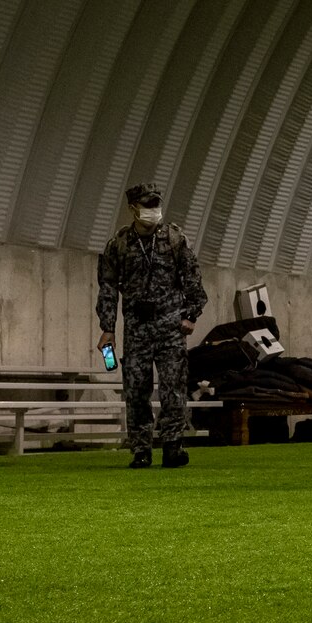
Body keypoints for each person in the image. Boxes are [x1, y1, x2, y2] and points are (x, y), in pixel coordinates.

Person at [97, 183, 207, 470]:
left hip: (170, 325)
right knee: (136, 389)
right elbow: (108, 287)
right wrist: (107, 327)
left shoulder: (174, 238)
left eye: (155, 203)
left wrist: (191, 314)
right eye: (147, 205)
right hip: (136, 327)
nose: (153, 209)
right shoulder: (119, 244)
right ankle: (141, 449)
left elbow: (192, 277)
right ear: (133, 208)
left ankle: (172, 446)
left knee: (174, 388)